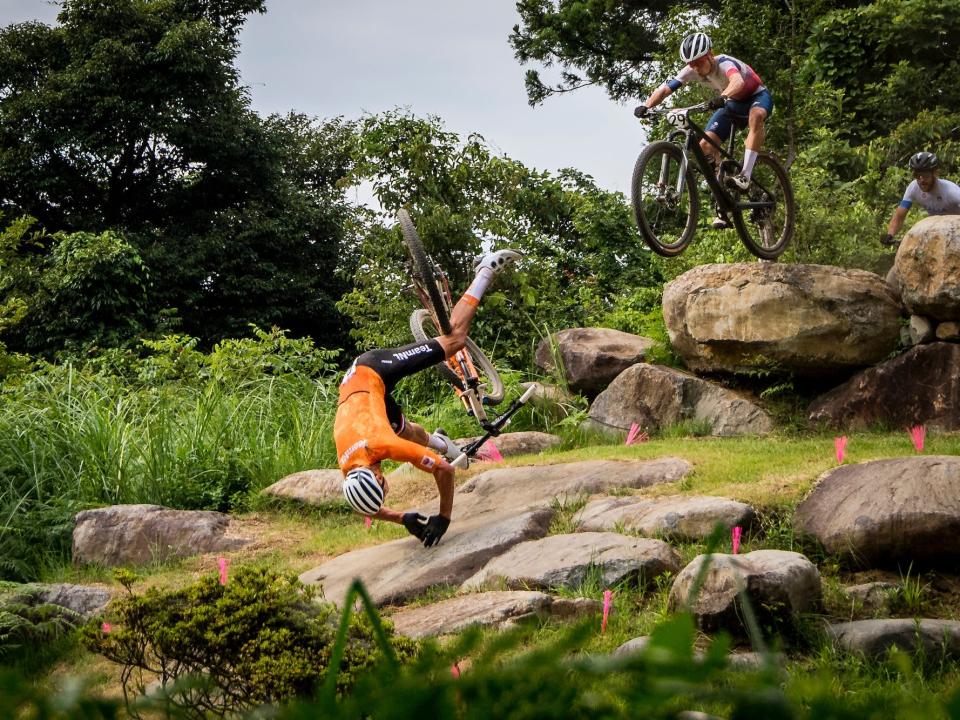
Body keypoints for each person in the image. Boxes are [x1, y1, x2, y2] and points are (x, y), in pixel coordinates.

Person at [335, 245, 521, 547]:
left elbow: (445, 471)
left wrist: (444, 517)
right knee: (406, 431)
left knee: (455, 339)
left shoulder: (381, 447)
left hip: (372, 370)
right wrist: (402, 517)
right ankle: (441, 442)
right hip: (362, 401)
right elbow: (362, 504)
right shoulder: (351, 469)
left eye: (384, 488)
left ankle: (486, 269)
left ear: (379, 479)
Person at [634, 31, 774, 229]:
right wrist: (647, 106)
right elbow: (665, 89)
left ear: (710, 54)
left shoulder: (724, 63)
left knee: (756, 116)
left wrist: (722, 97)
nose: (695, 68)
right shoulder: (690, 70)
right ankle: (723, 201)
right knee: (705, 147)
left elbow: (738, 82)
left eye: (698, 62)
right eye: (691, 64)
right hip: (731, 104)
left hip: (756, 97)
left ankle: (745, 175)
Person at [882, 151, 960, 245]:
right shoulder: (913, 187)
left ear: (935, 174)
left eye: (926, 176)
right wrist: (890, 235)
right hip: (938, 229)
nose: (922, 180)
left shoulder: (951, 191)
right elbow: (900, 215)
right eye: (918, 176)